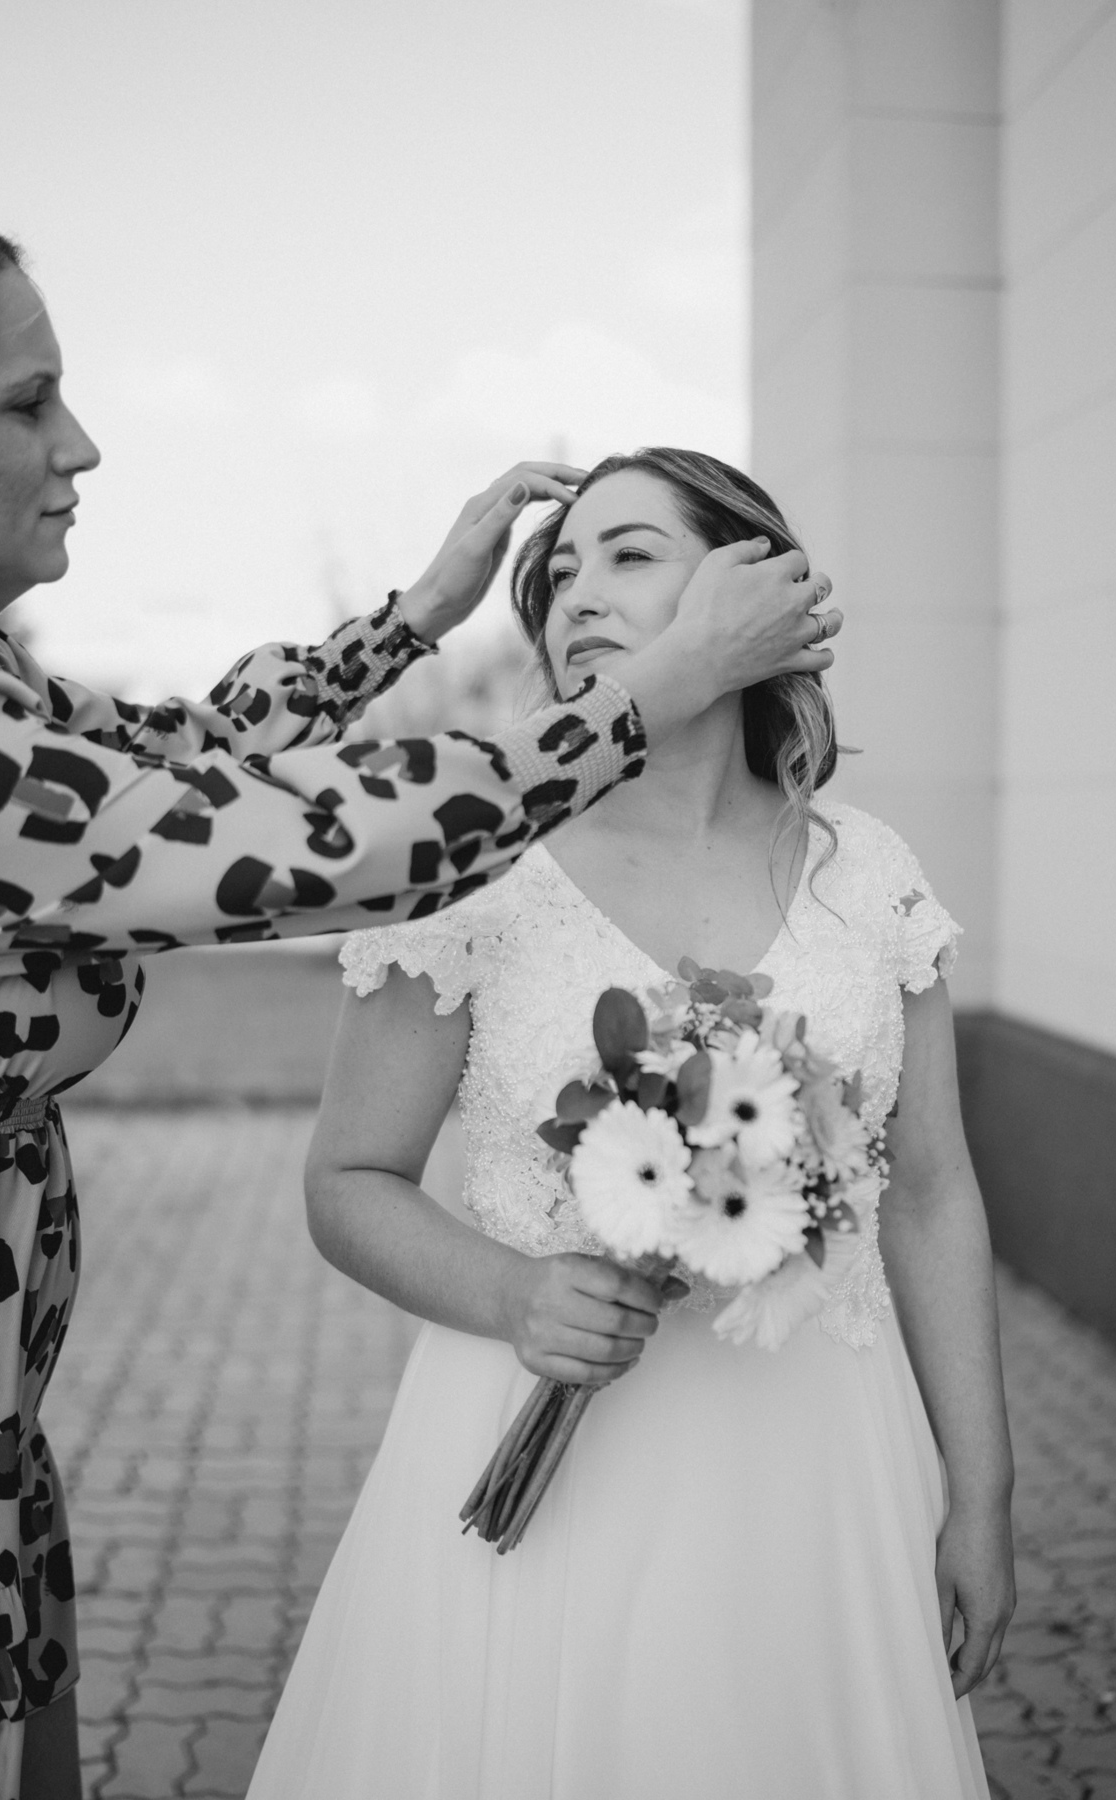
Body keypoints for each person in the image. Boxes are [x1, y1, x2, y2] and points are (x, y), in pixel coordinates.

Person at [0, 221, 842, 1800]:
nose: (80, 443)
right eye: (30, 403)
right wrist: (644, 695)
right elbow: (317, 846)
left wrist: (422, 608)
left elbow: (197, 754)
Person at [246, 447, 1016, 1800]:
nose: (577, 590)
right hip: (542, 1484)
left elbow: (931, 1195)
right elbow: (348, 1180)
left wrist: (986, 1493)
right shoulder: (478, 866)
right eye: (562, 568)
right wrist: (516, 1289)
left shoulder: (871, 875)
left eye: (631, 552)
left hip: (822, 1477)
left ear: (752, 586)